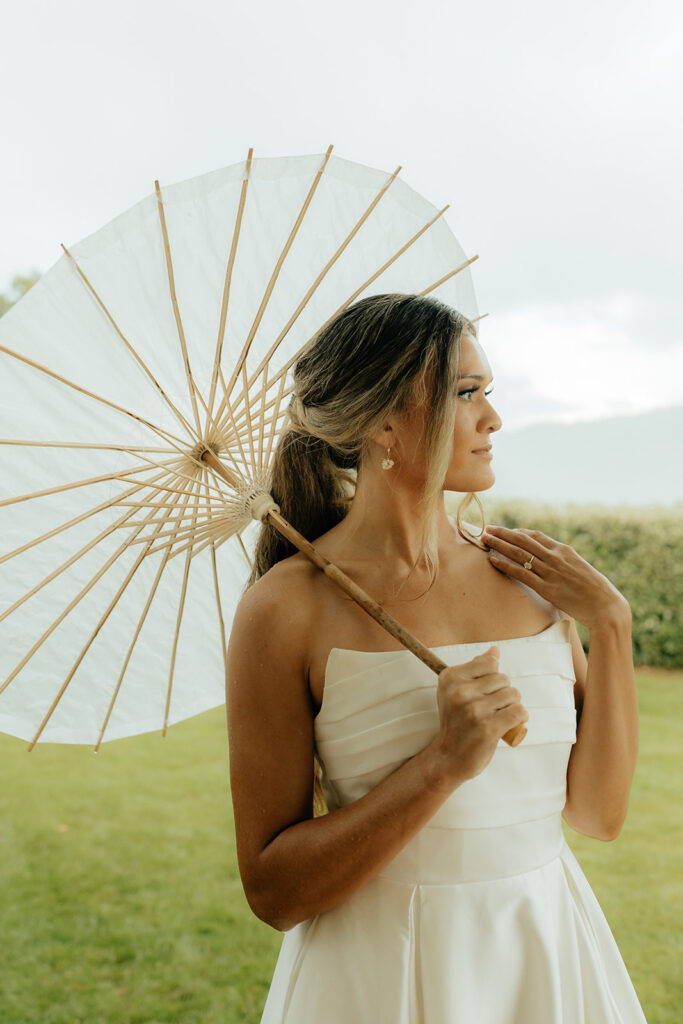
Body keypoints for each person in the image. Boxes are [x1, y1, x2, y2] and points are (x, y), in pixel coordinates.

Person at [226, 293, 647, 1022]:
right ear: (384, 423)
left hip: (542, 954)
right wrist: (440, 765)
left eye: (489, 392)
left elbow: (596, 815)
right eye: (466, 394)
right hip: (379, 976)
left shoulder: (530, 576)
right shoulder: (284, 609)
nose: (493, 418)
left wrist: (610, 625)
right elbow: (275, 893)